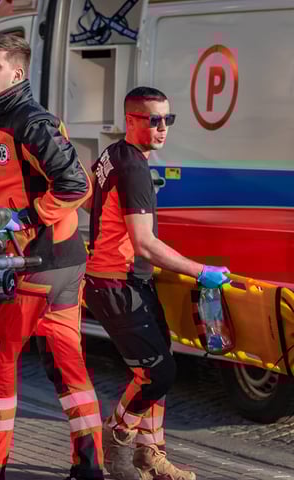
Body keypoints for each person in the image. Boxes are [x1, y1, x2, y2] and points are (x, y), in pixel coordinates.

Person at [0, 33, 104, 480]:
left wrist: (21, 221)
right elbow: (1, 190)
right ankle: (89, 470)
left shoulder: (29, 122)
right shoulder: (0, 120)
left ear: (18, 73)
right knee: (69, 369)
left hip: (35, 264)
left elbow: (75, 185)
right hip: (58, 262)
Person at [84, 86, 230, 480]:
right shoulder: (133, 168)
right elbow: (144, 243)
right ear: (131, 120)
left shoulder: (113, 154)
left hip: (126, 280)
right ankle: (118, 436)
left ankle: (152, 454)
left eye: (168, 119)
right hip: (115, 283)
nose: (163, 127)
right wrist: (200, 270)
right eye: (154, 119)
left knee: (158, 362)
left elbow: (89, 199)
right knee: (158, 373)